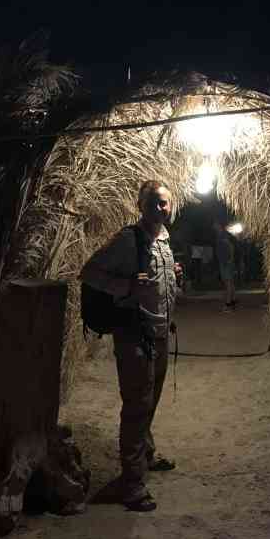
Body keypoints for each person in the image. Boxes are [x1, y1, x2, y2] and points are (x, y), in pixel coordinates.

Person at [80, 180, 182, 512]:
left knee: (148, 401)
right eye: (154, 202)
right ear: (141, 205)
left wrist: (173, 274)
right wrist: (125, 285)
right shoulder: (129, 239)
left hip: (159, 333)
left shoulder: (165, 241)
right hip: (134, 335)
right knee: (137, 406)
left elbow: (159, 286)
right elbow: (90, 272)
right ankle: (131, 483)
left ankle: (145, 455)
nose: (161, 208)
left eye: (165, 203)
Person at [213, 220, 236, 312]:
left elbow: (230, 246)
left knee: (228, 282)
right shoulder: (220, 235)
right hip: (224, 261)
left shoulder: (223, 234)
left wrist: (230, 259)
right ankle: (232, 301)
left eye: (214, 224)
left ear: (219, 225)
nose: (213, 226)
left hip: (226, 262)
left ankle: (228, 304)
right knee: (230, 282)